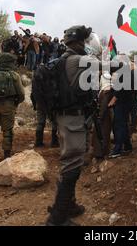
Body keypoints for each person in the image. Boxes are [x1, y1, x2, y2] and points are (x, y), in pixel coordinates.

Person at [46, 25, 96, 226]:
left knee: (71, 162)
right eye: (84, 42)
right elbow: (109, 67)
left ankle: (69, 205)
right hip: (72, 120)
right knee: (72, 165)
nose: (86, 45)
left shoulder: (63, 60)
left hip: (65, 118)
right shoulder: (77, 60)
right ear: (77, 43)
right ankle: (57, 219)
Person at [31, 61, 60, 148]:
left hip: (40, 101)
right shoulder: (55, 73)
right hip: (52, 101)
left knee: (40, 122)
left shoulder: (39, 72)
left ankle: (38, 142)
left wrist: (35, 103)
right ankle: (54, 142)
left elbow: (34, 91)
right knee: (55, 122)